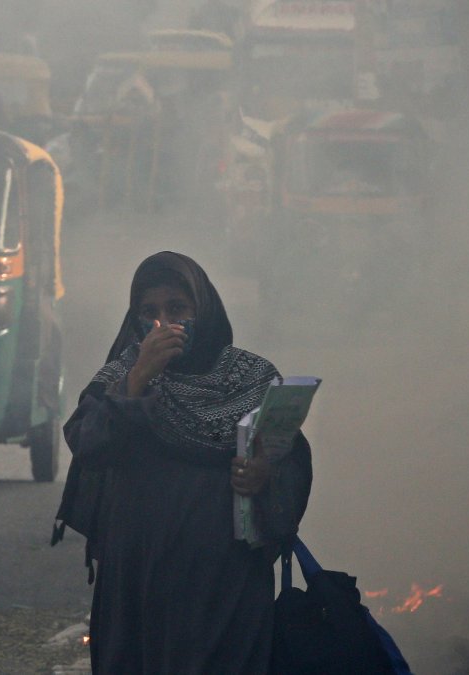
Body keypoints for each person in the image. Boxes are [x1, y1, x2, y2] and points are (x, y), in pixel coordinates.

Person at [55, 251, 312, 673]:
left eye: (177, 308)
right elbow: (87, 445)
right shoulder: (121, 376)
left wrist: (265, 474)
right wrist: (139, 377)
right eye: (149, 312)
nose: (163, 323)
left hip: (226, 587)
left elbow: (290, 458)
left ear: (202, 308)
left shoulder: (251, 377)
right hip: (138, 584)